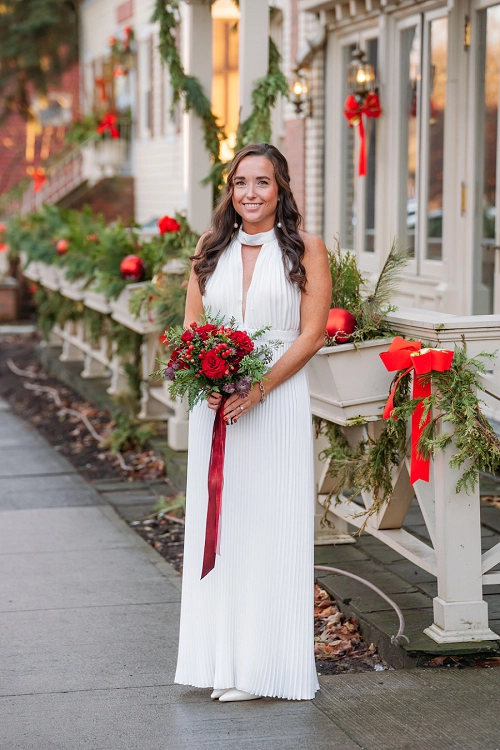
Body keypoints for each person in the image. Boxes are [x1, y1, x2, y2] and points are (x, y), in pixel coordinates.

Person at [174, 142, 331, 702]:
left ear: (281, 188)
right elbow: (193, 324)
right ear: (230, 191)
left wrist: (258, 390)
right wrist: (210, 383)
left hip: (276, 402)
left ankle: (265, 667)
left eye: (262, 182)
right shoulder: (209, 247)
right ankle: (220, 660)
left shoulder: (306, 249)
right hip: (215, 405)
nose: (250, 193)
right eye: (241, 183)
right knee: (222, 524)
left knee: (269, 526)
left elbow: (311, 334)